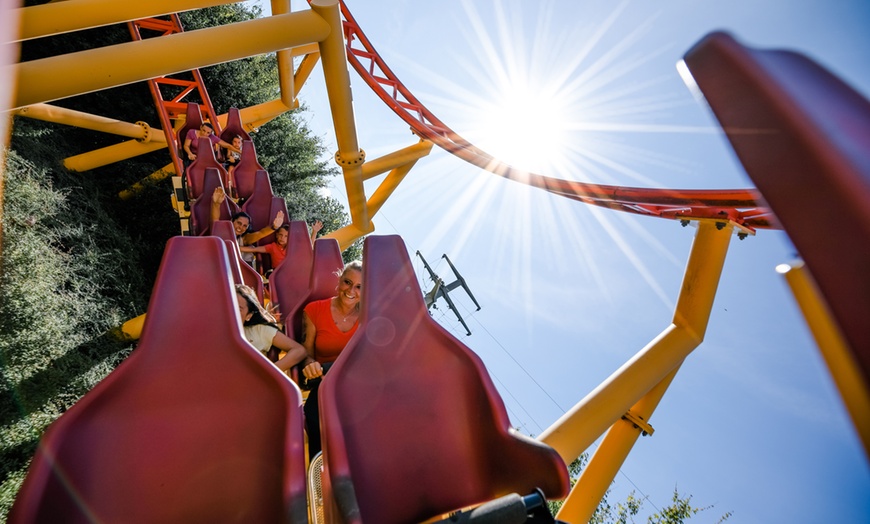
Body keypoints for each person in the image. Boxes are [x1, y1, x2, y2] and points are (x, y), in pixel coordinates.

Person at [298, 260, 363, 461]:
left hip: (355, 383)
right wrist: (310, 365)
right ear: (339, 280)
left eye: (360, 287)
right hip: (322, 378)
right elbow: (306, 353)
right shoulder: (314, 310)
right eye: (347, 282)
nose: (351, 290)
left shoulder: (369, 318)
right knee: (319, 402)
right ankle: (320, 465)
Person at [235, 284, 307, 372]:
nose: (230, 311)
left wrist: (269, 371)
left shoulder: (259, 331)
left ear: (249, 315)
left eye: (238, 309)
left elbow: (299, 350)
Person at [210, 187, 284, 267]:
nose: (240, 227)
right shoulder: (222, 233)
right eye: (239, 223)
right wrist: (216, 204)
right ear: (232, 221)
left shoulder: (244, 239)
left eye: (244, 226)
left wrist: (274, 227)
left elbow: (260, 233)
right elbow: (215, 222)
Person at [239, 220, 323, 272]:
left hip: (291, 272)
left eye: (286, 236)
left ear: (290, 238)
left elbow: (309, 248)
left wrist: (314, 232)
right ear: (276, 235)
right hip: (277, 273)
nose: (282, 238)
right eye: (280, 235)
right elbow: (255, 249)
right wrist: (235, 247)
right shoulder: (273, 247)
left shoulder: (293, 248)